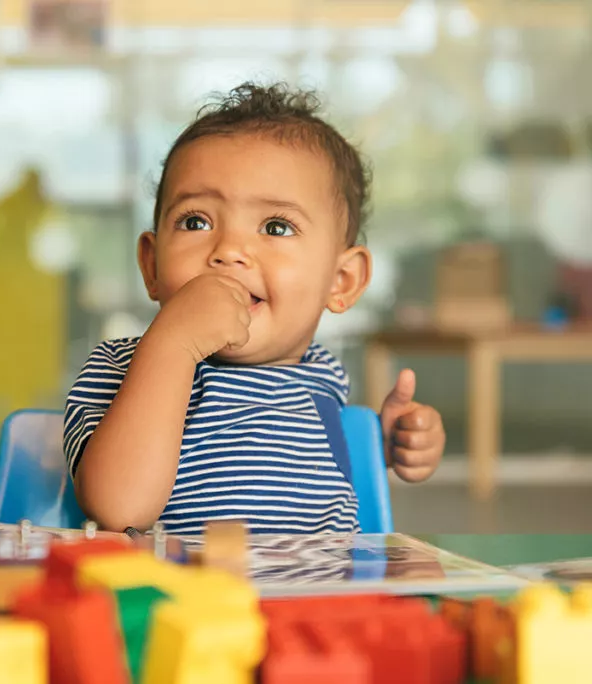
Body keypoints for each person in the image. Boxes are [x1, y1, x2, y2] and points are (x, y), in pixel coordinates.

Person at [63, 82, 445, 535]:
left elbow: (314, 477)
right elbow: (118, 509)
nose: (229, 250)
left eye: (276, 227)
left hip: (314, 599)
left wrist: (382, 444)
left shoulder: (323, 377)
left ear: (341, 282)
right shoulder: (119, 368)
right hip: (177, 599)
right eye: (195, 221)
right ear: (151, 264)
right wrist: (173, 345)